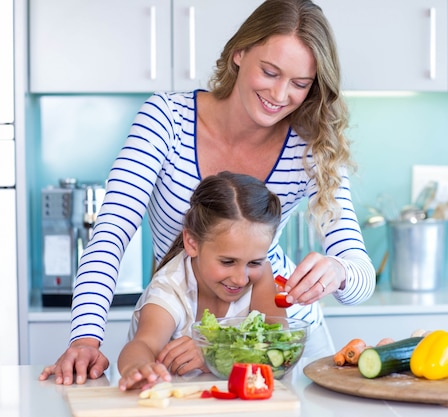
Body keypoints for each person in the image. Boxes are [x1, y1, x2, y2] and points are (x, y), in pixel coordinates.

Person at [40, 0, 376, 385]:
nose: (281, 94)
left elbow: (360, 275)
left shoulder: (311, 146)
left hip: (281, 340)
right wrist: (85, 338)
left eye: (300, 84)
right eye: (269, 71)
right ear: (238, 52)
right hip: (185, 331)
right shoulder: (166, 120)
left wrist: (339, 271)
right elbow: (110, 236)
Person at [117, 171, 284, 391]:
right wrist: (138, 369)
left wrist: (215, 354)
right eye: (227, 262)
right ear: (192, 243)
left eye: (254, 262)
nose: (241, 278)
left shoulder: (261, 275)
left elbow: (281, 345)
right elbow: (143, 344)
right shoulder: (170, 287)